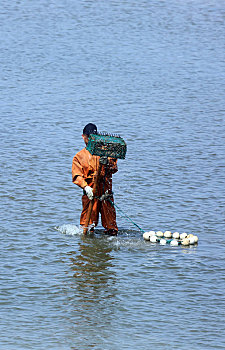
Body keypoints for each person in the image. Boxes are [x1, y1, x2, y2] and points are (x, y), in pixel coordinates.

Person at [72, 123, 118, 236]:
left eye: (93, 137)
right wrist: (86, 187)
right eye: (88, 137)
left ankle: (109, 242)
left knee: (112, 228)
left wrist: (107, 163)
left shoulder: (105, 152)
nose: (91, 139)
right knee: (87, 228)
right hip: (90, 194)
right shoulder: (79, 156)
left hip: (106, 195)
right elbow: (77, 175)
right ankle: (88, 247)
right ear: (83, 136)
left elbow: (114, 169)